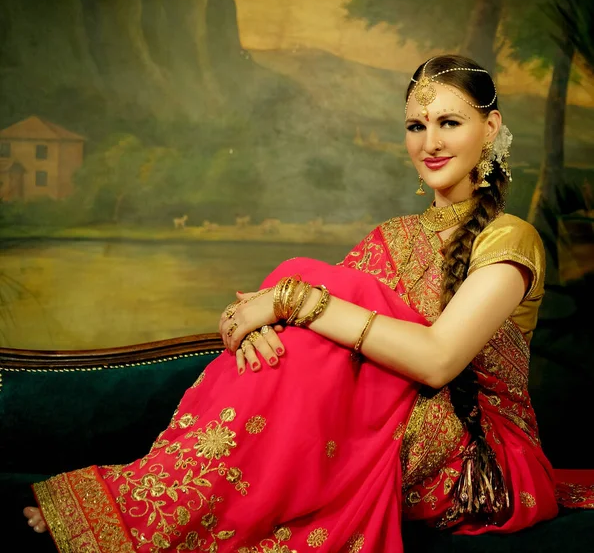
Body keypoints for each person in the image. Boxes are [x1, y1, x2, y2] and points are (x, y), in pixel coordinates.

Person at [23, 55, 593, 552]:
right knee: (306, 309)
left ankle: (147, 513)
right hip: (407, 418)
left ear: (490, 127)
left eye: (449, 122)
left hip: (479, 457)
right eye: (416, 126)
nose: (430, 143)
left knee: (309, 288)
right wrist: (247, 327)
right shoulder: (394, 236)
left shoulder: (510, 238)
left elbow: (438, 360)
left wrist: (294, 301)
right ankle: (166, 502)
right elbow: (272, 316)